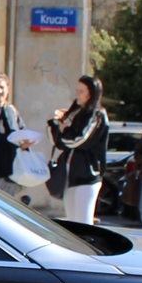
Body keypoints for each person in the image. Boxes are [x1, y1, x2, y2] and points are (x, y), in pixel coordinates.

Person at [47, 76, 110, 223]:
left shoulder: (98, 115)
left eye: (82, 91)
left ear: (92, 93)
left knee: (84, 223)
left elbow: (80, 140)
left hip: (87, 177)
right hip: (69, 175)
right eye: (77, 90)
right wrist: (54, 124)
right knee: (72, 223)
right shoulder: (74, 112)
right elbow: (59, 143)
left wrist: (65, 131)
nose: (78, 94)